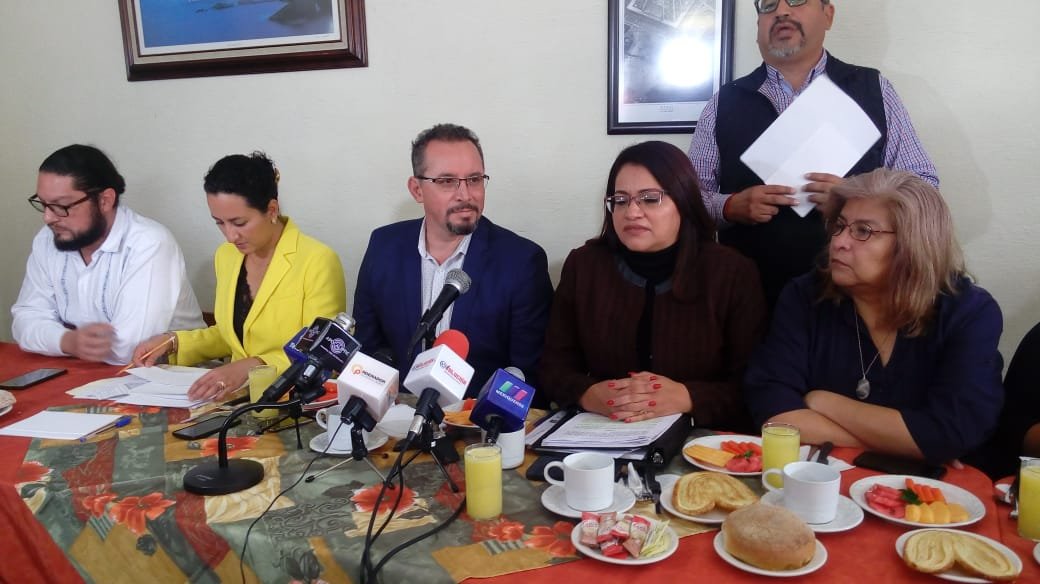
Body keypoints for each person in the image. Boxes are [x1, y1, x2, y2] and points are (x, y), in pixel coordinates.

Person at [688, 0, 938, 309]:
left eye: (796, 0)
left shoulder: (873, 90)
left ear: (828, 15)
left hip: (858, 302)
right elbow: (689, 200)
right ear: (758, 26)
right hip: (751, 302)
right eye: (768, 4)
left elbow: (925, 189)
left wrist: (854, 200)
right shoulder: (723, 102)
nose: (781, 11)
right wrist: (729, 207)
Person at [744, 168, 1003, 463]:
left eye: (863, 231)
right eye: (839, 226)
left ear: (913, 244)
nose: (839, 242)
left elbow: (952, 432)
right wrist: (906, 445)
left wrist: (823, 401)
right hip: (823, 478)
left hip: (931, 488)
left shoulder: (968, 312)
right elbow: (775, 414)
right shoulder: (805, 296)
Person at [541, 141, 766, 430]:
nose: (632, 212)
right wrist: (587, 393)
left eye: (649, 199)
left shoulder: (731, 273)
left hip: (700, 439)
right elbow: (553, 368)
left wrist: (688, 397)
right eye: (620, 200)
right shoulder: (584, 266)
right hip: (605, 432)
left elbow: (755, 386)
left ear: (683, 201)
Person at [353, 123, 553, 402]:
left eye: (474, 179)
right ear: (417, 189)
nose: (465, 195)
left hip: (477, 419)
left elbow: (528, 375)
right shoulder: (383, 247)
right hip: (396, 417)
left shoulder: (521, 262)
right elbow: (366, 352)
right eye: (447, 181)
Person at [132, 152, 346, 401]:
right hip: (236, 399)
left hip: (293, 402)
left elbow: (321, 353)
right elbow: (232, 335)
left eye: (239, 222)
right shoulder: (227, 256)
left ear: (272, 209)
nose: (230, 236)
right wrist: (173, 341)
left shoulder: (317, 260)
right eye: (219, 223)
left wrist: (252, 366)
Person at [11, 144, 204, 365]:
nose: (48, 218)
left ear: (105, 200)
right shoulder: (48, 240)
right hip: (87, 371)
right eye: (43, 204)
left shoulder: (149, 243)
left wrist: (56, 339)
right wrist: (67, 341)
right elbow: (25, 320)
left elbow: (129, 349)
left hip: (169, 377)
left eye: (61, 206)